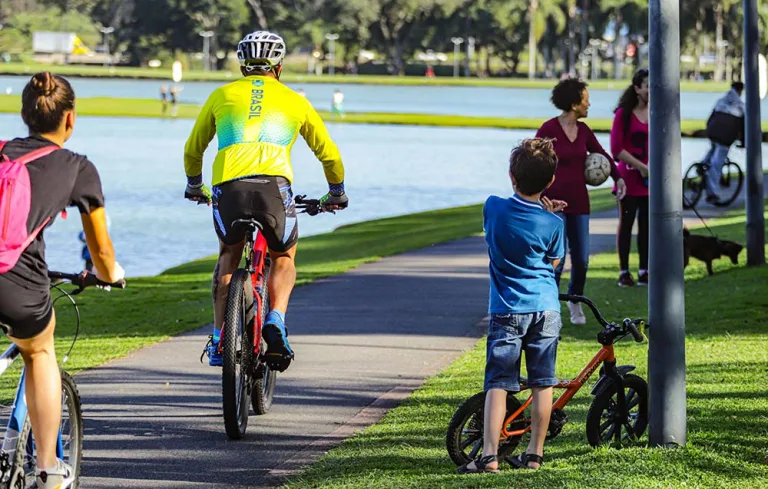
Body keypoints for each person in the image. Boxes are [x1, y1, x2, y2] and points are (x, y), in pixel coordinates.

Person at [183, 30, 348, 371]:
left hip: (229, 187)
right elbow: (329, 156)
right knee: (283, 257)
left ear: (243, 66)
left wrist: (195, 185)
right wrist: (336, 193)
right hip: (274, 190)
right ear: (280, 66)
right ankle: (275, 318)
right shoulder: (296, 101)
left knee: (228, 254)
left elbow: (192, 149)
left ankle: (218, 339)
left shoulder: (221, 95)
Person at [0, 72, 124, 489]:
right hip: (16, 283)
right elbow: (102, 253)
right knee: (39, 351)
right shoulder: (78, 169)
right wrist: (110, 275)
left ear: (23, 115)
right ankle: (50, 466)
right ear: (69, 119)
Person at [459, 138, 566, 474]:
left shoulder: (493, 207)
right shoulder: (555, 224)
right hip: (546, 308)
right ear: (550, 182)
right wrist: (546, 216)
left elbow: (502, 229)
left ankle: (489, 456)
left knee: (499, 381)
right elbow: (553, 262)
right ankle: (535, 454)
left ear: (511, 175)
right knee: (542, 382)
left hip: (508, 309)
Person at [535, 78, 626, 325]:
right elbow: (533, 159)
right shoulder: (548, 129)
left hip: (579, 202)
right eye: (585, 99)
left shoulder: (584, 131)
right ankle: (550, 307)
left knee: (582, 258)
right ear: (574, 103)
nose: (589, 103)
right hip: (552, 205)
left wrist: (618, 179)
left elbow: (603, 156)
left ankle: (575, 300)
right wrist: (536, 195)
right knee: (557, 259)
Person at [611, 69, 649, 287]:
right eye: (646, 85)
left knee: (647, 226)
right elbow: (616, 149)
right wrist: (641, 167)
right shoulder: (624, 114)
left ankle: (644, 270)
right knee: (626, 223)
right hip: (629, 178)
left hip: (649, 180)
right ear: (637, 88)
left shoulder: (656, 112)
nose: (650, 90)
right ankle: (624, 272)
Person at [702, 81, 745, 204]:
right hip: (725, 136)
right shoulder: (741, 106)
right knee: (717, 164)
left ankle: (702, 165)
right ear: (740, 91)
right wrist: (743, 142)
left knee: (713, 148)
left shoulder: (721, 101)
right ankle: (712, 193)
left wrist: (708, 130)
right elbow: (743, 127)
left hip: (713, 131)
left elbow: (711, 117)